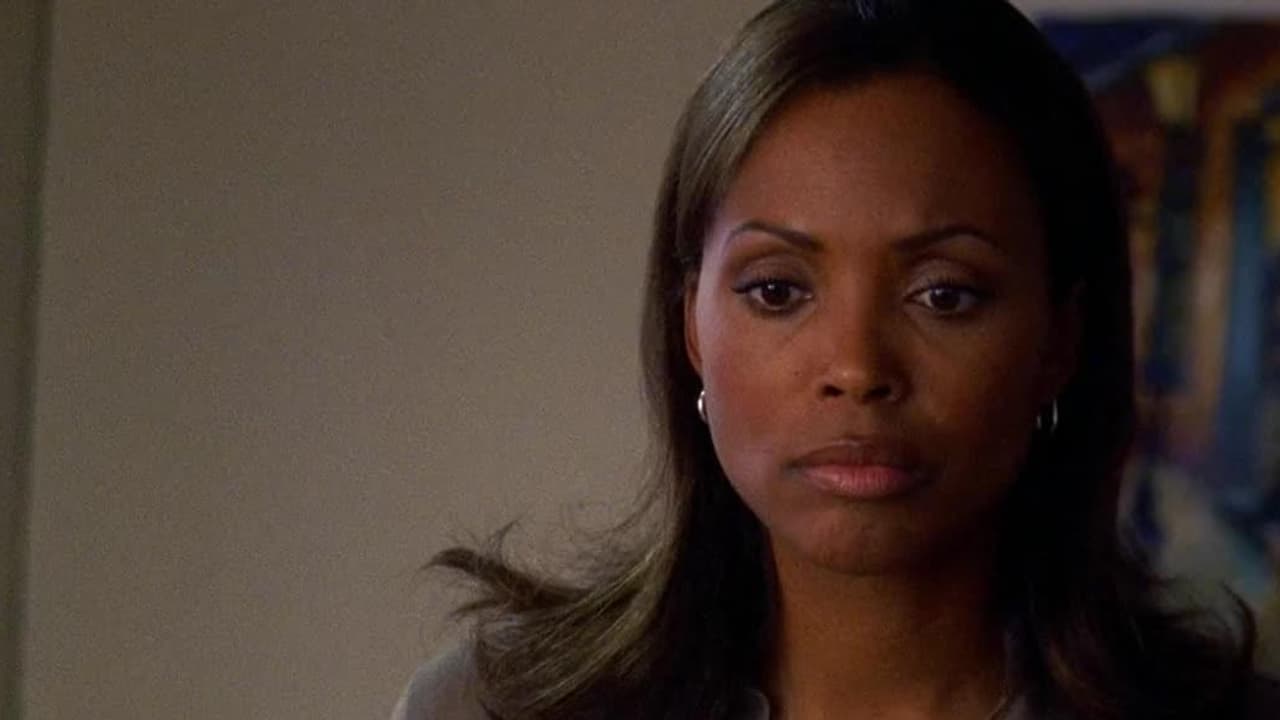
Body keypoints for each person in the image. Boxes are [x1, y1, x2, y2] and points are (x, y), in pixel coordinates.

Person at [392, 1, 1280, 718]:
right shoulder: (495, 711)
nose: (856, 367)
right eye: (778, 290)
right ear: (691, 325)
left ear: (1058, 342)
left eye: (945, 294)